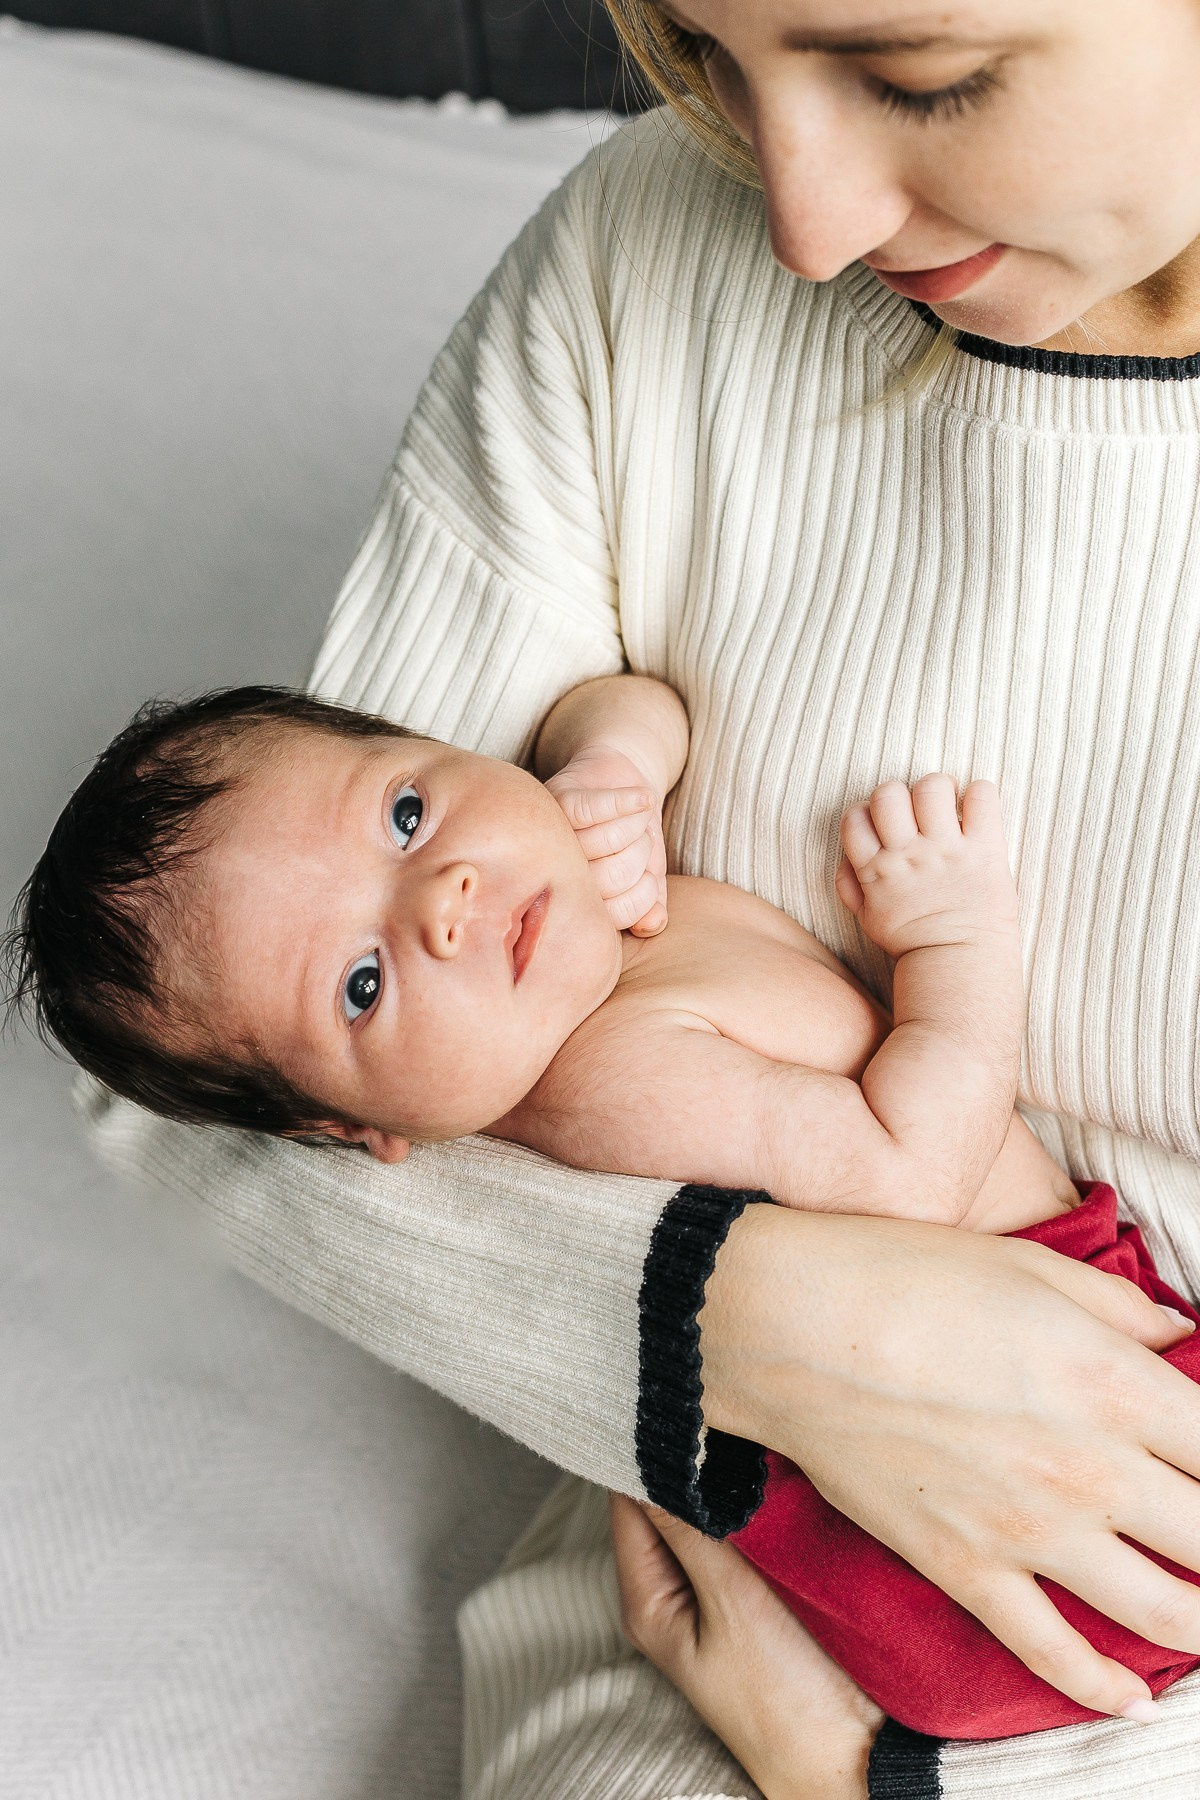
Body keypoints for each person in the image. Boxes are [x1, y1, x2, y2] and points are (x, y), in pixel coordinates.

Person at [69, 0, 1200, 1791]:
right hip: (726, 1576)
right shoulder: (641, 253)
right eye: (704, 55)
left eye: (920, 73)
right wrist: (752, 1323)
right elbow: (193, 1100)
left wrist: (851, 1779)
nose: (803, 225)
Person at [13, 672, 1200, 1744]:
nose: (446, 898)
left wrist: (608, 765)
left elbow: (627, 698)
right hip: (1048, 1487)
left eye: (406, 815)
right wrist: (955, 942)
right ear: (361, 1131)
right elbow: (911, 1168)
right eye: (363, 984)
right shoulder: (612, 1079)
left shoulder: (572, 917)